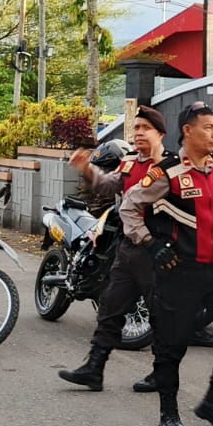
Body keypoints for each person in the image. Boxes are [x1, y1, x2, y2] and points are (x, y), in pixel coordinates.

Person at [119, 101, 213, 426]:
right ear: (188, 131)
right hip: (179, 274)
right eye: (208, 128)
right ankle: (169, 413)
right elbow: (129, 206)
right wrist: (150, 243)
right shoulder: (167, 172)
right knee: (171, 346)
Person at [56, 106, 173, 393]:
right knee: (110, 308)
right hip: (127, 249)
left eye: (145, 128)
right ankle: (94, 368)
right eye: (136, 129)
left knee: (160, 314)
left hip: (156, 249)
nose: (139, 134)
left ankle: (163, 373)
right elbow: (108, 186)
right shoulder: (130, 164)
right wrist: (86, 169)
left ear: (160, 133)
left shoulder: (172, 167)